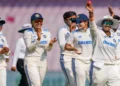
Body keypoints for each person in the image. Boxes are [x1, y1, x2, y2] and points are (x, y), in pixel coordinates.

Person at [86, 2, 120, 86]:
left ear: (112, 26)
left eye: (109, 23)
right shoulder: (97, 34)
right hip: (100, 67)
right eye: (105, 23)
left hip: (113, 68)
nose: (107, 25)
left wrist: (112, 15)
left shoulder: (115, 36)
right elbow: (92, 25)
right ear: (102, 24)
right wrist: (91, 13)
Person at [24, 13, 57, 86]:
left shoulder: (47, 32)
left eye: (41, 21)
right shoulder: (27, 32)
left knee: (39, 84)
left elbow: (47, 49)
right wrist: (38, 40)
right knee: (36, 84)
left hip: (42, 61)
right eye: (36, 21)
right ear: (32, 22)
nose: (39, 23)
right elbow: (29, 48)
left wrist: (51, 44)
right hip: (31, 61)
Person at [66, 14, 92, 86]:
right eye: (76, 22)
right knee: (80, 84)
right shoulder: (74, 33)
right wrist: (74, 48)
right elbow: (67, 46)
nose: (77, 24)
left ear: (86, 22)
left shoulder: (92, 32)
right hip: (78, 61)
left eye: (80, 22)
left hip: (90, 61)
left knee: (95, 83)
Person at [57, 11, 78, 86]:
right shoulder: (62, 30)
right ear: (65, 20)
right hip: (67, 58)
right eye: (71, 19)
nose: (73, 21)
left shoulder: (80, 29)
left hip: (78, 58)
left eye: (75, 19)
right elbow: (62, 46)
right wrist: (72, 33)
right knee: (73, 82)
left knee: (73, 81)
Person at [0, 18, 10, 86]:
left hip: (1, 64)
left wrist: (7, 52)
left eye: (1, 24)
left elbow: (7, 49)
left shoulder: (3, 37)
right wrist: (1, 51)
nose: (0, 26)